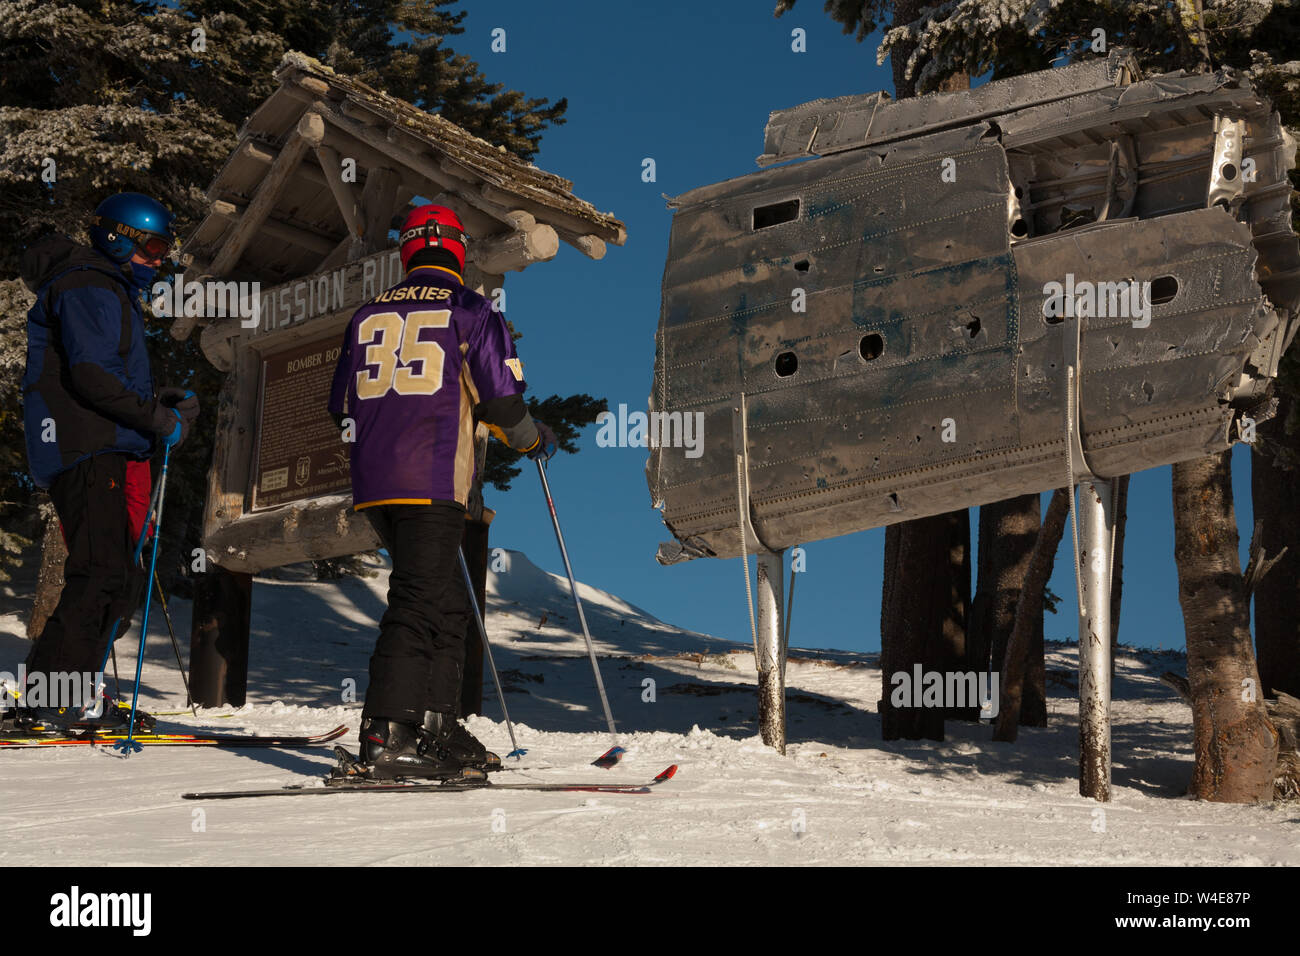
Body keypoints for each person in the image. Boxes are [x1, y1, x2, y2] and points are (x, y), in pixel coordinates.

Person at [328, 204, 556, 779]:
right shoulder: (471, 310)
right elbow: (503, 399)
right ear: (458, 250)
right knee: (420, 601)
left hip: (375, 481)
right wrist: (531, 439)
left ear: (408, 250)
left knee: (448, 599)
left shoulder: (367, 315)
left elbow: (340, 406)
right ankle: (386, 735)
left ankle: (435, 724)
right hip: (432, 476)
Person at [16, 192, 199, 726]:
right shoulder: (88, 282)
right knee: (100, 573)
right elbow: (93, 375)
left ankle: (58, 695)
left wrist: (155, 402)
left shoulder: (100, 284)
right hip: (89, 447)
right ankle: (50, 700)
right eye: (155, 247)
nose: (159, 260)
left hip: (97, 443)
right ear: (120, 237)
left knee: (114, 577)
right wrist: (155, 419)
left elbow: (97, 373)